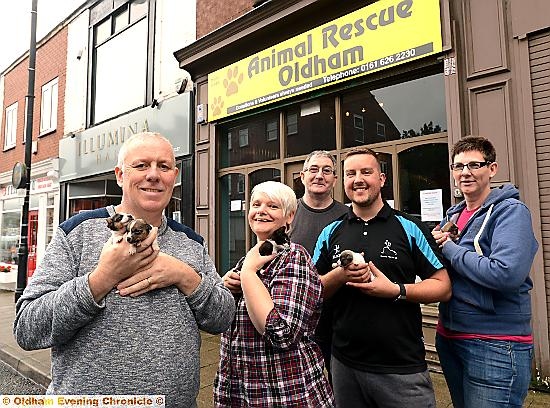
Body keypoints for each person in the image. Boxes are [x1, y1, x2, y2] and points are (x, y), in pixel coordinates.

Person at [14, 132, 235, 408]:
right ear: (120, 175)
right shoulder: (77, 232)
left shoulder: (191, 242)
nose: (153, 175)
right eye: (141, 165)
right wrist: (101, 279)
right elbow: (27, 327)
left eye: (163, 166)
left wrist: (184, 276)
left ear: (174, 176)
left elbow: (223, 317)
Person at [312, 147, 451, 408]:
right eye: (351, 174)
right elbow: (311, 290)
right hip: (344, 364)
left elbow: (443, 287)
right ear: (344, 182)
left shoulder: (409, 227)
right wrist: (340, 276)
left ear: (382, 179)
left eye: (367, 172)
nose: (358, 179)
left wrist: (396, 290)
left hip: (402, 368)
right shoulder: (331, 232)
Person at [432, 136, 538, 408]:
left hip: (495, 345)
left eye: (474, 165)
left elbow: (506, 274)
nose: (465, 172)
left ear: (492, 169)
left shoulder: (511, 212)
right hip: (450, 337)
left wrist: (451, 249)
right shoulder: (452, 215)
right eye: (458, 166)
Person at [214, 181, 334, 407]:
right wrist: (225, 288)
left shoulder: (294, 258)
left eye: (272, 206)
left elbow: (282, 333)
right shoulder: (250, 258)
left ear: (289, 217)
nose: (261, 211)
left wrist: (249, 274)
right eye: (256, 204)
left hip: (285, 393)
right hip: (242, 393)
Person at [288, 150, 348, 378]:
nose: (319, 175)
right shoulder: (287, 213)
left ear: (334, 179)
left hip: (338, 320)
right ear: (302, 176)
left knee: (339, 388)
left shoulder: (347, 216)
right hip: (296, 320)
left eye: (327, 171)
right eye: (313, 170)